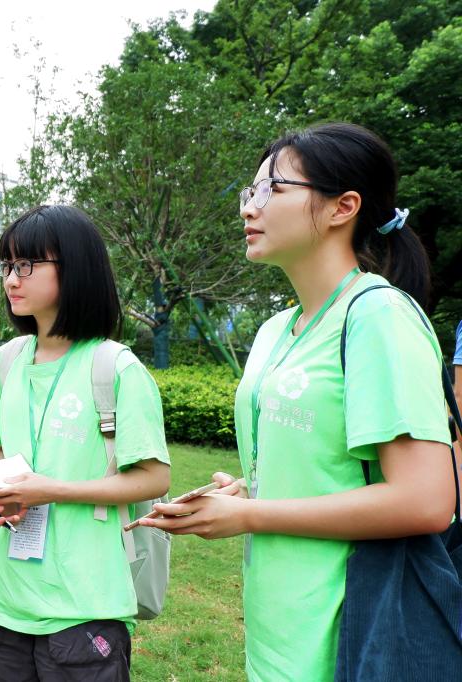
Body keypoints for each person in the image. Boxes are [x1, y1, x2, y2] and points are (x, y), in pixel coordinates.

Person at [142, 122, 455, 681]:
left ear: (343, 207)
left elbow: (426, 500)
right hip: (277, 628)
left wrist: (249, 515)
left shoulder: (379, 317)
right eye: (250, 191)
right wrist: (247, 490)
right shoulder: (274, 330)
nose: (249, 207)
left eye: (272, 189)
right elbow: (319, 466)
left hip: (356, 634)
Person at [0, 205, 171, 681]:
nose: (11, 279)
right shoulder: (6, 361)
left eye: (26, 265)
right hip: (3, 601)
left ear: (75, 267)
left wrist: (51, 490)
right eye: (6, 266)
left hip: (85, 605)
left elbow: (153, 478)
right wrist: (1, 493)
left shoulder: (115, 368)